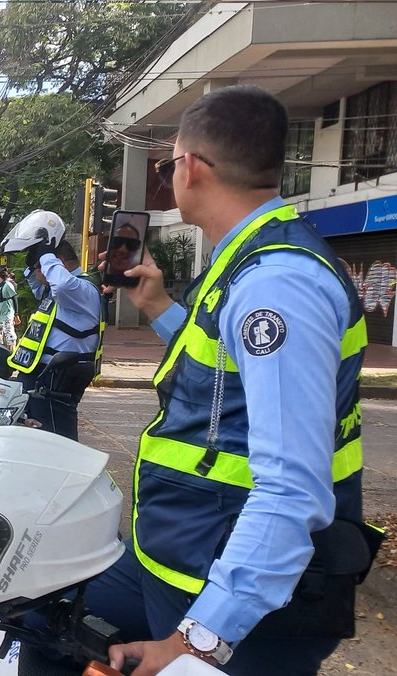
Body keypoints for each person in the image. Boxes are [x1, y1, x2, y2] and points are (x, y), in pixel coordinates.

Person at [89, 86, 372, 676]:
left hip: (233, 595)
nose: (170, 178)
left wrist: (200, 641)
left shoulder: (277, 284)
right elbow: (226, 372)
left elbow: (291, 490)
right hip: (184, 555)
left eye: (166, 167)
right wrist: (158, 306)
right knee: (44, 610)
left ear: (190, 168)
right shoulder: (244, 261)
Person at [1, 210, 103, 441]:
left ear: (58, 263)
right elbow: (37, 284)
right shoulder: (54, 293)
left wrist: (46, 254)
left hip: (58, 380)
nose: (39, 271)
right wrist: (32, 260)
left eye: (42, 265)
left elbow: (62, 285)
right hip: (41, 376)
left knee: (56, 443)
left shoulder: (82, 290)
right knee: (35, 442)